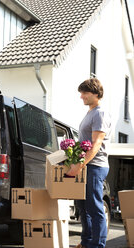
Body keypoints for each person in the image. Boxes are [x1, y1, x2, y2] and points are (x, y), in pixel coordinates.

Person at [66, 78, 111, 248]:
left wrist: (80, 164)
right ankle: (86, 242)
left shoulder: (100, 113)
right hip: (87, 165)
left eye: (84, 93)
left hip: (95, 165)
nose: (81, 96)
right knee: (83, 207)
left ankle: (97, 245)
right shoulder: (90, 113)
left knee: (94, 207)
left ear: (95, 93)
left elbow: (96, 144)